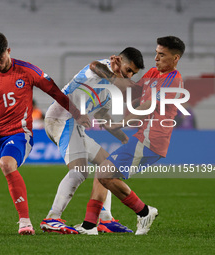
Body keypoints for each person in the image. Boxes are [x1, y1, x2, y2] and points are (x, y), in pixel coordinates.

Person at [0, 31, 91, 236]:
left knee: (6, 163)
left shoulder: (27, 70)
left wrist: (77, 113)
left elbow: (55, 92)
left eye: (0, 59)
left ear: (9, 51)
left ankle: (24, 222)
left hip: (18, 134)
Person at [75, 36, 186, 235]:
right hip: (144, 137)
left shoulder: (173, 79)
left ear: (176, 58)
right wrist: (115, 72)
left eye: (162, 55)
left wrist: (120, 123)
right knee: (103, 171)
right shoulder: (153, 73)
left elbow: (146, 105)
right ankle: (90, 226)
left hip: (152, 139)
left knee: (104, 173)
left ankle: (144, 212)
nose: (156, 58)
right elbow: (133, 91)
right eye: (156, 53)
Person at [40, 47, 145, 234]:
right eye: (128, 70)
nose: (129, 76)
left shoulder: (111, 90)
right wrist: (115, 78)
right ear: (118, 60)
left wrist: (123, 137)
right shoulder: (103, 66)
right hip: (62, 118)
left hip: (74, 123)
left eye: (133, 74)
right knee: (80, 171)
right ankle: (52, 218)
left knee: (107, 165)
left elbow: (103, 115)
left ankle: (106, 220)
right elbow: (94, 65)